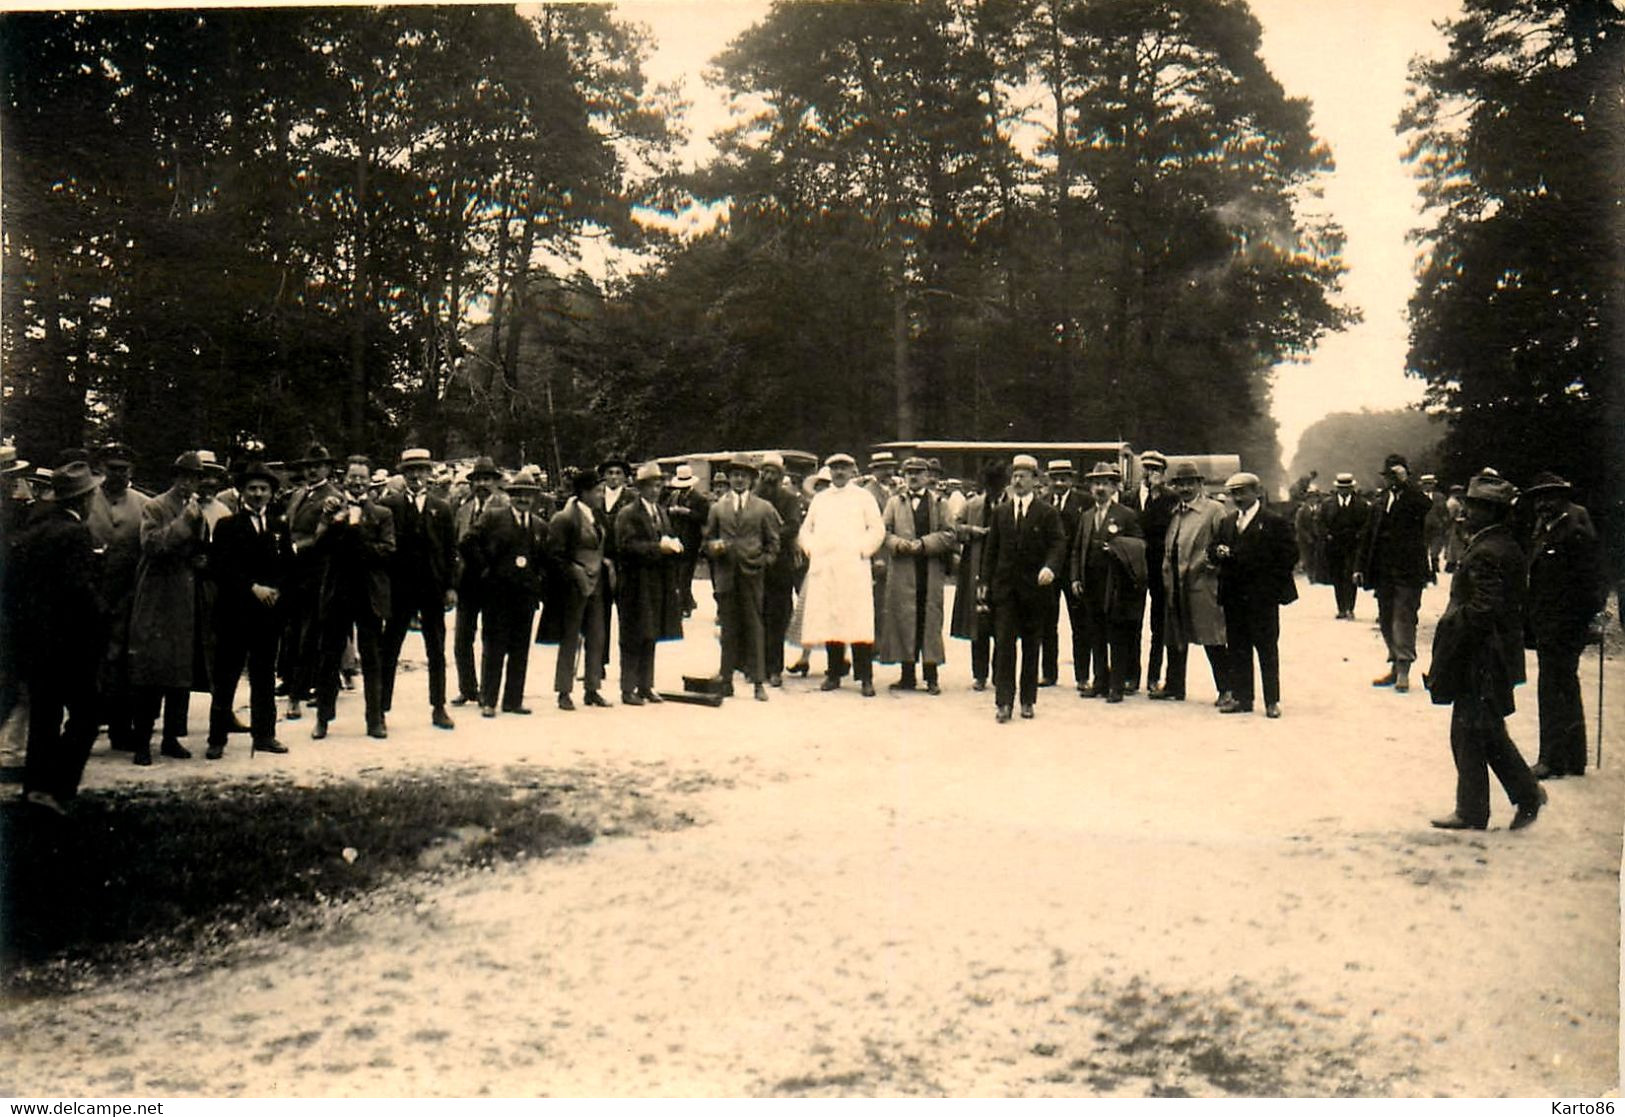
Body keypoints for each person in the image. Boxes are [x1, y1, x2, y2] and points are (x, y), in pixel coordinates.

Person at [1423, 473, 1546, 831]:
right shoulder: (1499, 544)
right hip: (1491, 653)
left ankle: (1478, 809)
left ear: (1491, 512)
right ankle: (1520, 796)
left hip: (1482, 656)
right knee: (1483, 730)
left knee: (1470, 731)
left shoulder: (1488, 551)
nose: (1466, 510)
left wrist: (1451, 626)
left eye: (1475, 506)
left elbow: (1483, 608)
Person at [10, 462, 106, 814]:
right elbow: (78, 591)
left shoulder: (34, 529)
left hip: (36, 641)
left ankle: (35, 789)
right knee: (87, 714)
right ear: (84, 499)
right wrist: (101, 617)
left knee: (44, 717)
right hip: (71, 643)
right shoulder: (76, 534)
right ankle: (59, 786)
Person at [125, 452, 211, 765]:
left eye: (195, 477)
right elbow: (152, 545)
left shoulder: (196, 508)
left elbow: (199, 548)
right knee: (151, 670)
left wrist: (202, 561)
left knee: (179, 671)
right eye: (184, 476)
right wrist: (184, 522)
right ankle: (142, 741)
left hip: (185, 597)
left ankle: (172, 738)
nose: (189, 482)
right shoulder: (156, 506)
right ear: (174, 477)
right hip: (157, 596)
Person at [1522, 472, 1605, 779]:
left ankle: (1551, 759)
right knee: (1564, 685)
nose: (1543, 503)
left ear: (1563, 498)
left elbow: (1591, 582)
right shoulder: (1545, 530)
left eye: (1550, 496)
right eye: (1539, 497)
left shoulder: (1573, 532)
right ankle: (1572, 758)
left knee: (1553, 687)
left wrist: (1584, 621)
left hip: (1564, 624)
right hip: (1549, 621)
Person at [205, 461, 289, 758]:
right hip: (235, 613)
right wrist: (252, 587)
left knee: (264, 675)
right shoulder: (227, 526)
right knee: (227, 675)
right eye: (252, 488)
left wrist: (278, 590)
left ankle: (265, 734)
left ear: (271, 493)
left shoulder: (279, 525)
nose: (257, 494)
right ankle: (217, 738)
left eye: (263, 489)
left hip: (268, 615)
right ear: (241, 492)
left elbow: (287, 566)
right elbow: (220, 567)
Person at [309, 456, 395, 739]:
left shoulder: (382, 514)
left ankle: (375, 719)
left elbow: (387, 551)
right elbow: (319, 546)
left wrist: (357, 534)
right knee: (328, 658)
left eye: (362, 477)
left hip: (368, 594)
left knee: (372, 658)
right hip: (338, 593)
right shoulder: (331, 509)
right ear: (344, 479)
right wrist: (334, 523)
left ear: (369, 481)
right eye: (352, 477)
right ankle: (323, 717)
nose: (357, 482)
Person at [979, 454, 1066, 722]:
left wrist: (1050, 568)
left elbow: (1058, 544)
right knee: (1004, 646)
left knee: (1031, 646)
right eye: (1015, 475)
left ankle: (1028, 700)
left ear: (1035, 480)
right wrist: (984, 582)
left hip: (1036, 592)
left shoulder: (1047, 512)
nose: (1018, 480)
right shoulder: (1001, 512)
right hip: (1005, 591)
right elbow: (991, 550)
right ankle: (1004, 702)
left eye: (1024, 476)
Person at [378, 448, 459, 731]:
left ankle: (438, 707)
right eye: (410, 471)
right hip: (400, 589)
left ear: (429, 473)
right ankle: (380, 710)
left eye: (421, 470)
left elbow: (450, 551)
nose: (415, 476)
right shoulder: (390, 505)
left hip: (432, 587)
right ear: (402, 474)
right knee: (390, 648)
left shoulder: (443, 507)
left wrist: (450, 586)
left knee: (436, 649)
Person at [1209, 472, 1298, 718]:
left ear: (1257, 492)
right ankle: (1243, 698)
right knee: (1238, 648)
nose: (1237, 498)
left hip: (1262, 598)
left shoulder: (1273, 522)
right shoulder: (1227, 522)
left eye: (1242, 492)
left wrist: (1265, 577)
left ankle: (1272, 701)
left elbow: (1290, 556)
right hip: (1233, 597)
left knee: (1267, 648)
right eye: (1233, 493)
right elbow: (1212, 550)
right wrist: (1219, 551)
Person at [799, 452, 886, 696]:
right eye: (835, 468)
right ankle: (834, 673)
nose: (839, 472)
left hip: (854, 568)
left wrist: (863, 550)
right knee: (831, 620)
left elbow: (877, 529)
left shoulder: (863, 497)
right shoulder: (821, 499)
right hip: (826, 568)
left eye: (844, 468)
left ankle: (865, 678)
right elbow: (806, 530)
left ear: (852, 471)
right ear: (829, 471)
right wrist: (811, 549)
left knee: (859, 623)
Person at [467, 467, 546, 717]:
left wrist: (537, 582)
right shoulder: (494, 517)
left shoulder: (539, 525)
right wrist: (485, 569)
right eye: (518, 495)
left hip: (525, 597)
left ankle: (514, 700)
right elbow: (467, 542)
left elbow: (543, 559)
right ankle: (489, 700)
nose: (523, 500)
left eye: (528, 495)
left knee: (520, 648)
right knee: (495, 648)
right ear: (510, 496)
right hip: (497, 595)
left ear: (534, 498)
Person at [85, 443, 148, 753]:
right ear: (101, 468)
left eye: (124, 468)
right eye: (113, 467)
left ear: (131, 471)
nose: (119, 473)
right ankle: (85, 726)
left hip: (128, 596)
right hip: (87, 595)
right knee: (89, 662)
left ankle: (122, 731)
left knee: (122, 664)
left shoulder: (144, 504)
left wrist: (130, 594)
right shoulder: (85, 498)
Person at [1355, 453, 1434, 693]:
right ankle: (1394, 663)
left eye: (1395, 475)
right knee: (1387, 618)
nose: (1391, 480)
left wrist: (1406, 483)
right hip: (1383, 570)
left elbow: (1424, 507)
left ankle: (1403, 670)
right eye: (1388, 476)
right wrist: (1359, 566)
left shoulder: (1414, 499)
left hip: (1409, 570)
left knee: (1404, 619)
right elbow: (1368, 534)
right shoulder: (1380, 501)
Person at [705, 455, 783, 700]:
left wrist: (763, 562)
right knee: (728, 628)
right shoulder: (718, 507)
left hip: (752, 574)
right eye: (735, 475)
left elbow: (774, 543)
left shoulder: (763, 508)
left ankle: (758, 682)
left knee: (754, 626)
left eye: (744, 475)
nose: (739, 479)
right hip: (727, 574)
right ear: (729, 479)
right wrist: (715, 547)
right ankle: (726, 679)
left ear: (751, 479)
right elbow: (707, 540)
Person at [1068, 461, 1145, 703]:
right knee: (1095, 634)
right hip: (1090, 583)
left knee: (1117, 634)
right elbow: (1077, 549)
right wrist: (1075, 577)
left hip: (1115, 585)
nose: (1100, 488)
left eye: (1105, 484)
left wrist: (1115, 548)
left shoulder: (1126, 515)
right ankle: (1099, 680)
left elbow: (1140, 545)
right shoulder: (1087, 516)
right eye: (1096, 483)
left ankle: (1116, 685)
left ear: (1114, 487)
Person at [1153, 461, 1229, 705]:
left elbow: (1225, 543)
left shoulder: (1214, 510)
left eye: (1189, 483)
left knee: (1212, 637)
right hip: (1175, 582)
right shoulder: (1176, 513)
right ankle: (1175, 686)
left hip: (1203, 584)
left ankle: (1227, 690)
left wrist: (1212, 566)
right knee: (1174, 636)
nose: (1185, 488)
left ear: (1200, 484)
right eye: (1180, 484)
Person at [878, 457, 957, 694]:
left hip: (929, 570)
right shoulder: (894, 502)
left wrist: (924, 544)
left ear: (927, 475)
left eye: (918, 472)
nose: (913, 477)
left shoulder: (939, 502)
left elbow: (950, 533)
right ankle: (907, 675)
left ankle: (931, 677)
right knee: (904, 618)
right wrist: (899, 544)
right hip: (903, 571)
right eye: (909, 472)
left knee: (929, 620)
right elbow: (883, 531)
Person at [280, 444, 343, 721]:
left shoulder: (333, 498)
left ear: (328, 468)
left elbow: (323, 535)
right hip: (295, 572)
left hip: (319, 572)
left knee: (311, 634)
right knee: (293, 631)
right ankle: (295, 682)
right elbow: (289, 526)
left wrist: (297, 546)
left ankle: (300, 692)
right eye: (308, 465)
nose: (312, 469)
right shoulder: (298, 494)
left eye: (318, 465)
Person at [614, 462, 685, 705]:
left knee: (650, 632)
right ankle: (628, 688)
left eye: (658, 485)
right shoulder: (629, 513)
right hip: (634, 583)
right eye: (650, 486)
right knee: (633, 634)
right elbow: (625, 547)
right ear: (640, 488)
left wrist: (674, 545)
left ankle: (646, 685)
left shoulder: (660, 512)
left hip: (656, 582)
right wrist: (658, 547)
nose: (655, 490)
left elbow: (666, 536)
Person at [540, 468, 611, 711]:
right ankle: (564, 691)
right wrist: (574, 571)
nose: (602, 495)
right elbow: (554, 556)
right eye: (598, 491)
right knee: (570, 638)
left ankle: (592, 688)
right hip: (573, 587)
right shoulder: (565, 518)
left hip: (597, 583)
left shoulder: (597, 516)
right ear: (584, 492)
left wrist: (606, 563)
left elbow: (603, 545)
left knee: (597, 636)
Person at [450, 456, 508, 707]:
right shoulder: (463, 509)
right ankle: (467, 687)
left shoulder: (505, 508)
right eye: (478, 480)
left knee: (492, 637)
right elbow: (455, 544)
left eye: (487, 479)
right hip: (467, 581)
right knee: (462, 636)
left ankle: (488, 690)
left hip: (493, 581)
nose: (482, 484)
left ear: (496, 482)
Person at [950, 460, 1007, 691]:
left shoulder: (1012, 504)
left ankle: (999, 673)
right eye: (990, 485)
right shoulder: (972, 505)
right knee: (979, 625)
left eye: (998, 485)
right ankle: (980, 674)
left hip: (1003, 570)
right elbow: (953, 528)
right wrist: (974, 531)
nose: (994, 490)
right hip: (977, 568)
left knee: (1002, 624)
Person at [1124, 450, 1177, 695]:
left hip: (1158, 568)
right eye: (1145, 468)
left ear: (1163, 474)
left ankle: (1154, 676)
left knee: (1159, 624)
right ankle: (1130, 676)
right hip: (1135, 568)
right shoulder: (1129, 497)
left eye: (1155, 469)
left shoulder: (1170, 500)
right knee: (1132, 621)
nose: (1149, 474)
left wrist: (1157, 497)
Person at [755, 453, 803, 686]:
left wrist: (768, 535)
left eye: (773, 472)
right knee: (756, 614)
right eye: (765, 471)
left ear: (781, 475)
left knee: (777, 616)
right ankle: (756, 665)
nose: (768, 476)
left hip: (780, 566)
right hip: (755, 563)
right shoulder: (754, 496)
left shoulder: (790, 499)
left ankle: (775, 668)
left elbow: (793, 526)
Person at [1043, 460, 1085, 690]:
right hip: (1050, 571)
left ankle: (1082, 676)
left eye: (1064, 478)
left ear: (1071, 480)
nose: (1059, 483)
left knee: (1080, 623)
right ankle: (1049, 673)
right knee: (1048, 623)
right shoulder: (1044, 502)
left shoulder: (1083, 502)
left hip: (1072, 570)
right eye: (1055, 478)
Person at [662, 463, 711, 618]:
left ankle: (684, 606)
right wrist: (671, 511)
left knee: (685, 574)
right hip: (676, 538)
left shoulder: (700, 499)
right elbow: (665, 511)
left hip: (691, 541)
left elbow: (704, 518)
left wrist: (687, 512)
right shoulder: (674, 496)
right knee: (676, 574)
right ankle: (687, 600)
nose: (682, 489)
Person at [1323, 473, 1368, 620]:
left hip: (1353, 546)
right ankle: (1341, 608)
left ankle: (1350, 608)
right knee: (1337, 577)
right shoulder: (1327, 504)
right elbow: (1320, 522)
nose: (1344, 491)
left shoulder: (1361, 504)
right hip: (1334, 546)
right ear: (1337, 488)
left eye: (1347, 488)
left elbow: (1366, 525)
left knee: (1351, 576)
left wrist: (1360, 535)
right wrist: (1326, 534)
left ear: (1352, 488)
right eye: (1341, 488)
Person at [1422, 474, 1451, 575]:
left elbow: (1444, 511)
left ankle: (1435, 564)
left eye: (1430, 484)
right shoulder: (1418, 496)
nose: (1428, 486)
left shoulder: (1440, 497)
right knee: (1423, 546)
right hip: (1422, 526)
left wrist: (1445, 523)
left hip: (1436, 525)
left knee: (1436, 545)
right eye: (1426, 484)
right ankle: (1424, 567)